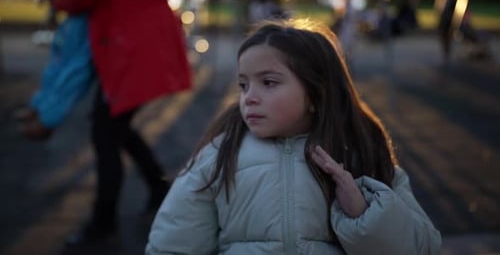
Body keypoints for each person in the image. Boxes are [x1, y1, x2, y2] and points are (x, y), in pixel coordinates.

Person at [146, 19, 442, 254]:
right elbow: (171, 246)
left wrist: (363, 215)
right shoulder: (218, 156)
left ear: (316, 93)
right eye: (244, 85)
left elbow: (421, 247)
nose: (249, 97)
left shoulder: (360, 152)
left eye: (269, 82)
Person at [50, 0, 192, 246]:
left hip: (129, 51)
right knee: (115, 127)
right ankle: (159, 187)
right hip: (141, 47)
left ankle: (104, 223)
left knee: (105, 134)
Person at [15, 0, 94, 140]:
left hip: (87, 18)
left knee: (72, 72)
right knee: (57, 66)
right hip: (76, 18)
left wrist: (57, 0)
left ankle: (48, 118)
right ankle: (41, 107)